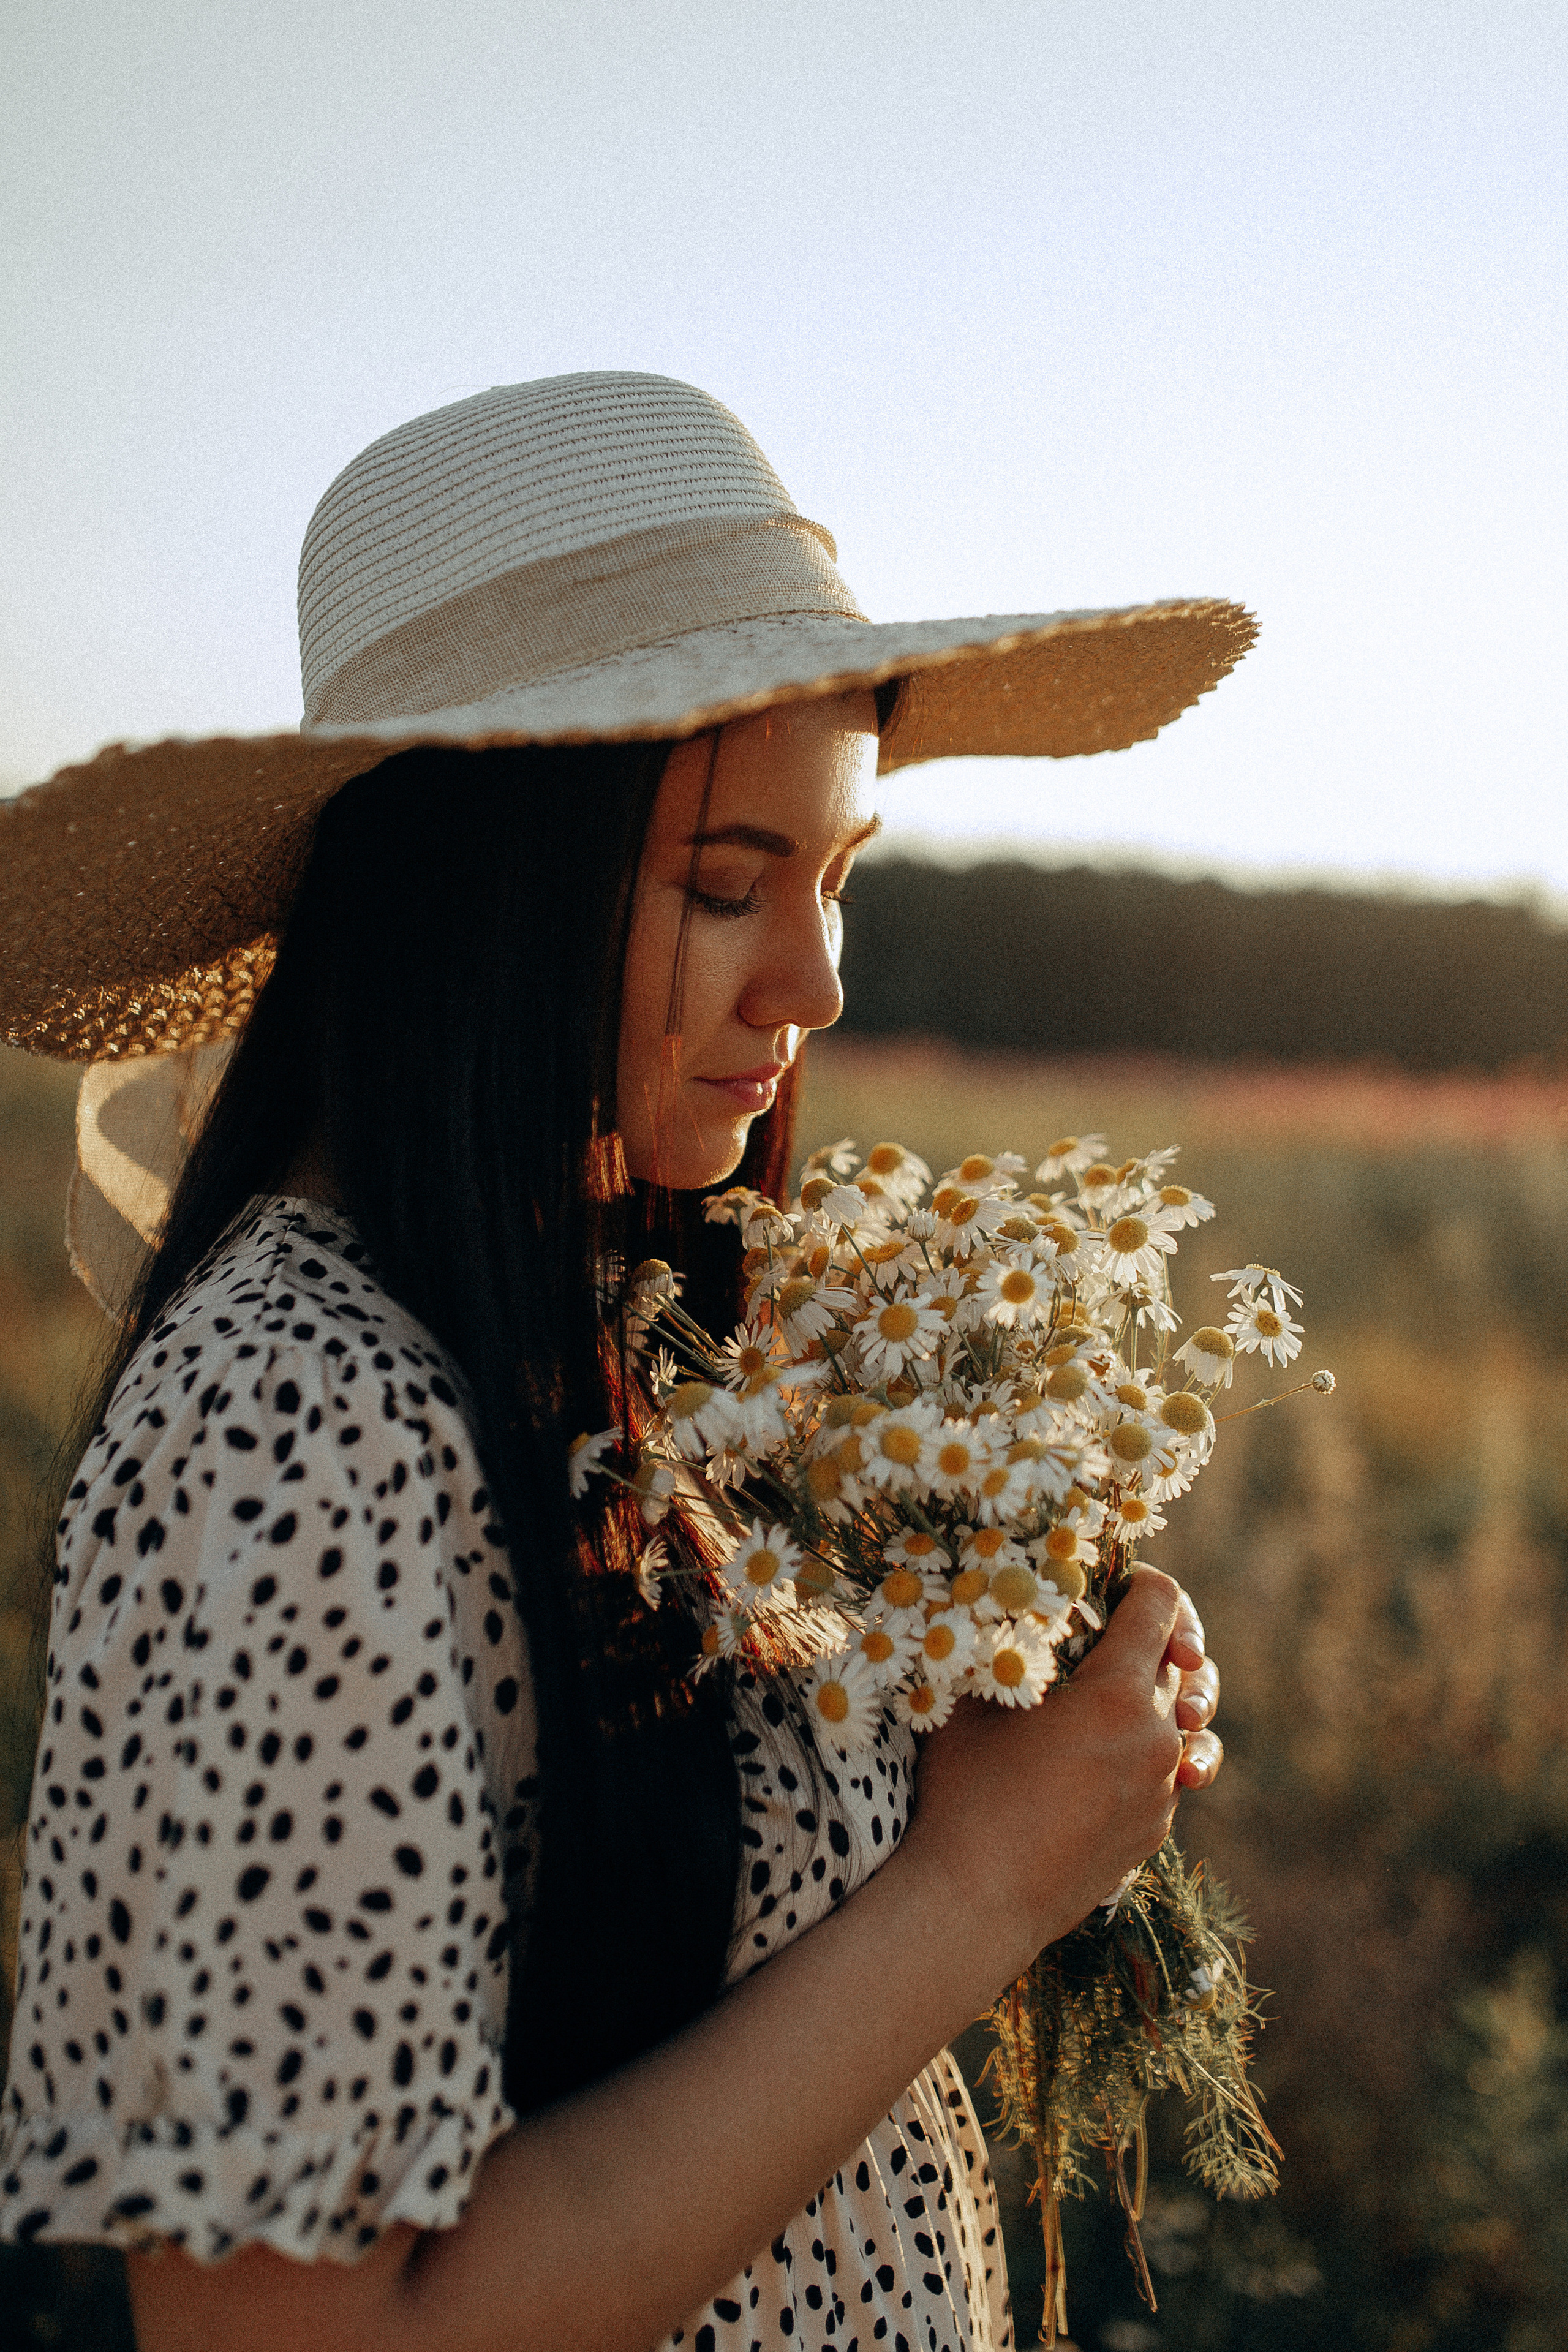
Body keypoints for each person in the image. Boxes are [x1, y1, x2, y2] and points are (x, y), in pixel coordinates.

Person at [0, 372, 1251, 2352]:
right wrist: (977, 1889)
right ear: (475, 888)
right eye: (727, 886)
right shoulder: (298, 1422)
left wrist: (1013, 1708)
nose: (816, 983)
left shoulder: (598, 1328)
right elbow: (292, 2334)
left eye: (837, 879)